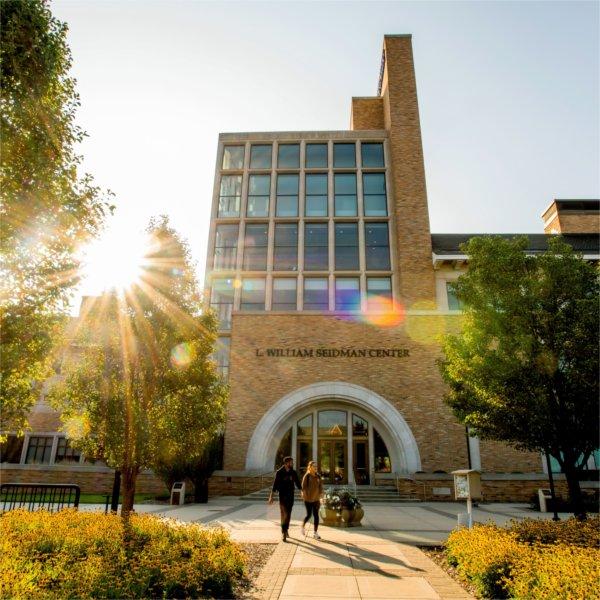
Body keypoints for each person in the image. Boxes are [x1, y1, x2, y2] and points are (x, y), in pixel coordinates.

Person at [268, 456, 301, 542]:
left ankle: (286, 529)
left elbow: (298, 483)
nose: (292, 464)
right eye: (291, 462)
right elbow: (275, 485)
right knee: (283, 513)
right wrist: (271, 496)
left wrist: (303, 491)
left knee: (288, 514)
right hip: (282, 496)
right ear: (286, 463)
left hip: (291, 495)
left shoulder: (293, 472)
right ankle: (284, 532)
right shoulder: (279, 472)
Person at [301, 461, 324, 539]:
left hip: (316, 499)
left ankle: (315, 532)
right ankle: (303, 526)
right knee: (309, 515)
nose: (316, 467)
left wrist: (321, 497)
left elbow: (320, 487)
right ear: (310, 467)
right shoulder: (307, 476)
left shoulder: (318, 476)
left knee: (316, 516)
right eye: (314, 466)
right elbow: (303, 488)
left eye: (316, 466)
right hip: (308, 499)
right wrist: (305, 497)